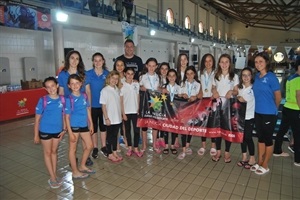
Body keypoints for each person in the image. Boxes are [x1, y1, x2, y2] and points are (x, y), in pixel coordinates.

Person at [58, 50, 93, 166]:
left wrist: (89, 108)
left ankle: (86, 157)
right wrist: (63, 111)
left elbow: (87, 91)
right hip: (70, 109)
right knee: (73, 137)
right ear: (68, 59)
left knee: (85, 134)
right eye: (72, 58)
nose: (74, 61)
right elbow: (61, 92)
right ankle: (74, 159)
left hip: (82, 108)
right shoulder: (63, 74)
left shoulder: (83, 74)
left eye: (77, 58)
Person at [251, 52, 281, 175]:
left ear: (266, 62)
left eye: (261, 62)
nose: (258, 64)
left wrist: (273, 110)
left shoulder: (271, 77)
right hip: (258, 112)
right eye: (256, 62)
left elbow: (278, 97)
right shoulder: (257, 76)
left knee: (268, 139)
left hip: (269, 113)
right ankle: (259, 161)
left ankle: (265, 164)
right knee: (260, 138)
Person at [34, 77, 66, 188]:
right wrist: (36, 135)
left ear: (57, 85)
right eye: (48, 87)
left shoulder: (62, 100)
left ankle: (54, 174)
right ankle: (52, 177)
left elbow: (64, 115)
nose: (51, 88)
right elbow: (37, 119)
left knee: (54, 152)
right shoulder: (43, 100)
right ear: (45, 89)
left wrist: (64, 129)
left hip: (57, 131)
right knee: (47, 153)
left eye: (52, 85)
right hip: (45, 131)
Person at [65, 74, 95, 179]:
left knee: (90, 145)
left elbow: (87, 109)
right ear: (69, 86)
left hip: (84, 125)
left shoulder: (84, 95)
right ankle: (75, 171)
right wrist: (70, 132)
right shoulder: (69, 99)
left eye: (77, 83)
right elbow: (67, 117)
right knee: (72, 149)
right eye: (72, 83)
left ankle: (82, 165)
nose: (75, 85)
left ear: (81, 83)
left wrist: (91, 123)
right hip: (74, 126)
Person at [211, 54, 239, 163]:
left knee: (228, 129)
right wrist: (214, 91)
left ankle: (227, 151)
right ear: (219, 64)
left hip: (229, 106)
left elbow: (236, 91)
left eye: (226, 62)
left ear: (230, 64)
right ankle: (218, 151)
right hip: (217, 105)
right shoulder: (215, 75)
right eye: (222, 62)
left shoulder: (234, 76)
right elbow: (213, 87)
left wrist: (231, 92)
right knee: (218, 129)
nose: (224, 64)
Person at [274, 60, 300, 166]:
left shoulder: (291, 77)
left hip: (287, 107)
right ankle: (298, 160)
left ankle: (277, 150)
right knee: (298, 135)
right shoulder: (298, 79)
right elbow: (299, 96)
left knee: (281, 131)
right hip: (295, 109)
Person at [85, 53, 109, 159]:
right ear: (93, 62)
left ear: (103, 61)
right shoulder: (88, 74)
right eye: (95, 60)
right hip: (93, 105)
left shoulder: (107, 74)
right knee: (93, 127)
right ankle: (95, 147)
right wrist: (89, 107)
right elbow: (88, 90)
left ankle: (103, 146)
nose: (98, 62)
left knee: (103, 127)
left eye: (100, 60)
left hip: (104, 106)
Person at [233, 67, 256, 169]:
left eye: (248, 75)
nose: (246, 77)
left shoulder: (254, 88)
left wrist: (244, 101)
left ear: (251, 76)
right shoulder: (239, 87)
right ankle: (244, 157)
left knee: (248, 137)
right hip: (241, 117)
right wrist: (237, 97)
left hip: (250, 117)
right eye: (244, 75)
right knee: (242, 138)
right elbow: (235, 97)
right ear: (241, 77)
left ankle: (252, 158)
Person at [177, 66, 201, 159]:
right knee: (184, 129)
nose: (189, 75)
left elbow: (200, 96)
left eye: (191, 73)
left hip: (194, 110)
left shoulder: (198, 84)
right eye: (188, 74)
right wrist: (182, 94)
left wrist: (196, 96)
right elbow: (178, 94)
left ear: (194, 74)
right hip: (184, 110)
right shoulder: (182, 83)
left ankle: (187, 146)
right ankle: (183, 150)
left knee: (190, 129)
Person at [100, 71, 123, 162]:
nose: (114, 80)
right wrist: (106, 118)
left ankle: (114, 152)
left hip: (117, 118)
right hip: (109, 119)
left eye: (116, 79)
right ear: (108, 79)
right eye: (112, 78)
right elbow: (103, 106)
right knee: (109, 137)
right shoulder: (105, 90)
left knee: (115, 136)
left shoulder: (117, 90)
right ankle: (109, 153)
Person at [121, 67, 143, 157]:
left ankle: (136, 147)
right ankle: (130, 147)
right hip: (126, 111)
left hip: (135, 111)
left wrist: (138, 108)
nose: (130, 76)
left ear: (134, 75)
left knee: (137, 130)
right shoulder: (121, 85)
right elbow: (121, 100)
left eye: (132, 74)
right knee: (127, 130)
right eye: (128, 73)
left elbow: (138, 97)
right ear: (125, 74)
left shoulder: (136, 84)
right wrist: (123, 113)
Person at [139, 57, 160, 153]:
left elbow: (160, 88)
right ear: (146, 66)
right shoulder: (142, 77)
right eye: (149, 66)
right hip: (145, 103)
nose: (151, 68)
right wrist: (140, 87)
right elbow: (138, 87)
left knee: (155, 124)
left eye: (153, 66)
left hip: (156, 103)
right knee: (144, 124)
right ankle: (144, 145)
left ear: (156, 67)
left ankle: (155, 144)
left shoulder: (158, 77)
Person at [198, 53, 217, 156]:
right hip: (203, 101)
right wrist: (200, 92)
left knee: (212, 123)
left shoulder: (216, 73)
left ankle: (213, 146)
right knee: (203, 123)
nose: (208, 63)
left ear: (213, 62)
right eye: (206, 61)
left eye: (210, 61)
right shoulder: (200, 73)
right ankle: (203, 145)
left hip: (213, 101)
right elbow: (200, 86)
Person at [161, 69, 180, 154]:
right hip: (166, 110)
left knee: (174, 128)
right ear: (167, 77)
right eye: (170, 76)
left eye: (173, 76)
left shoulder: (179, 88)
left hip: (175, 112)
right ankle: (166, 145)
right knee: (165, 128)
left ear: (176, 77)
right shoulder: (163, 87)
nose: (172, 77)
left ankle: (172, 145)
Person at [156, 62, 170, 149]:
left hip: (167, 104)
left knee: (165, 121)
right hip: (157, 102)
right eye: (162, 69)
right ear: (159, 70)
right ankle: (157, 139)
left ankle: (162, 138)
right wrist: (161, 89)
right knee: (158, 120)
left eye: (166, 69)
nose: (164, 71)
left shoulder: (171, 79)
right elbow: (155, 88)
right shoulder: (157, 78)